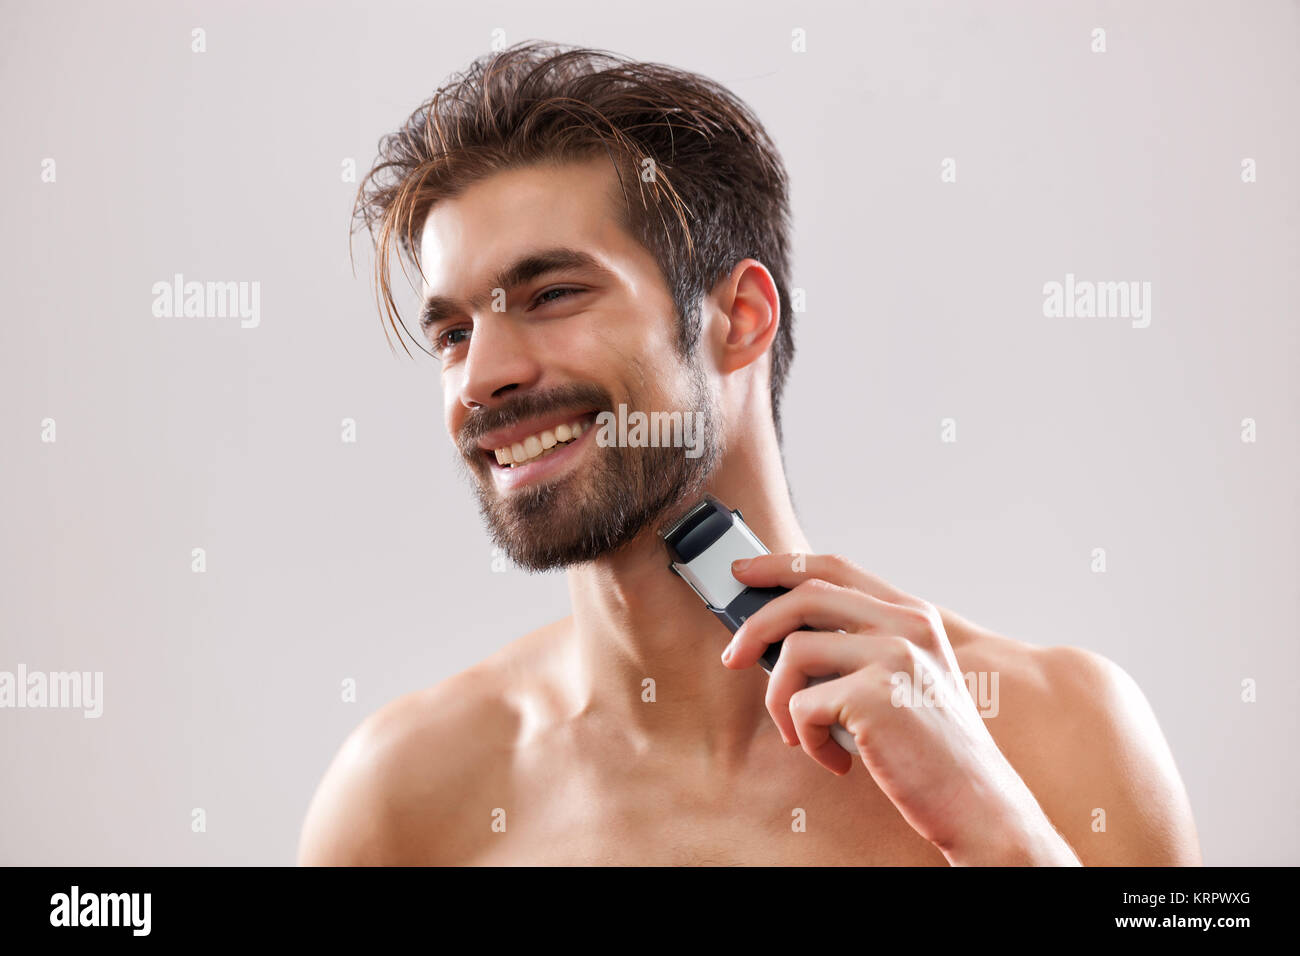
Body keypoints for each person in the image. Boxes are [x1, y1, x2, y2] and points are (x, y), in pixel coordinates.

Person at [298, 41, 1201, 865]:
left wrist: (1005, 837)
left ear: (740, 319)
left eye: (553, 293)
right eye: (453, 332)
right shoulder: (399, 802)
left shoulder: (1062, 735)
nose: (481, 377)